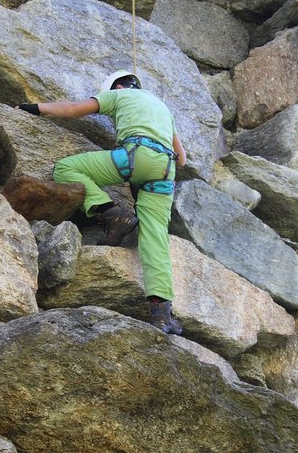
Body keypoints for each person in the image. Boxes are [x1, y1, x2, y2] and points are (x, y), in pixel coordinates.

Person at [17, 69, 186, 335]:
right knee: (155, 236)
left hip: (135, 155)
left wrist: (35, 108)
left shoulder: (119, 96)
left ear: (117, 87)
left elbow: (73, 109)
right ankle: (161, 313)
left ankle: (111, 214)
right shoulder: (163, 109)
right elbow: (182, 157)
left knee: (65, 168)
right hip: (165, 170)